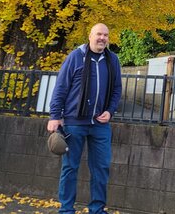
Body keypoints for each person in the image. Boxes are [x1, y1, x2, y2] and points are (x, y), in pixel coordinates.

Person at [47, 23, 122, 214]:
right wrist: (55, 116)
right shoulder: (76, 56)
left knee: (101, 168)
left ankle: (97, 209)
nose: (102, 38)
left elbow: (116, 90)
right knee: (70, 168)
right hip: (74, 122)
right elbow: (61, 87)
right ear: (90, 36)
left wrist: (111, 111)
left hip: (100, 124)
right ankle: (66, 210)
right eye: (99, 34)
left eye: (105, 35)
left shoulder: (112, 60)